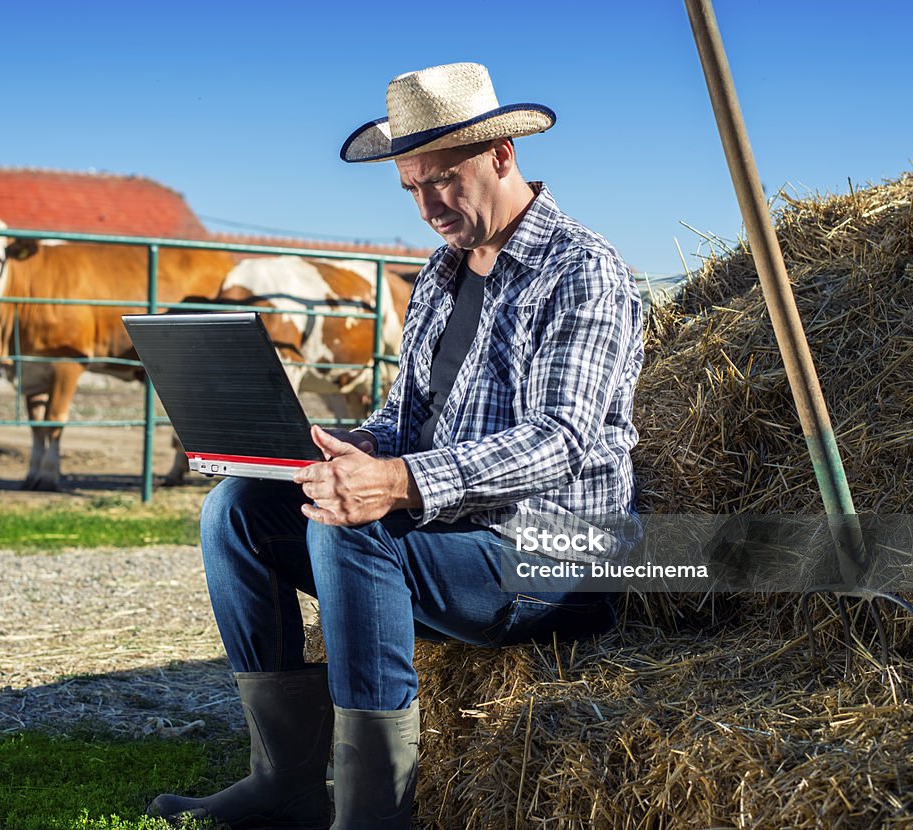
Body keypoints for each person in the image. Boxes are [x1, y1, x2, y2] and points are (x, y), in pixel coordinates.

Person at [148, 61, 643, 829]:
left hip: (552, 555)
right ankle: (284, 782)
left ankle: (375, 813)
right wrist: (342, 448)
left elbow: (561, 440)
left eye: (442, 180)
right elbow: (403, 420)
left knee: (352, 534)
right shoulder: (440, 276)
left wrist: (398, 480)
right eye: (410, 188)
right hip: (454, 533)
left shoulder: (582, 270)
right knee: (237, 509)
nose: (427, 206)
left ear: (501, 156)